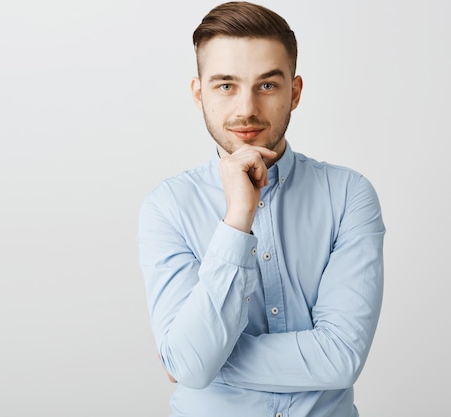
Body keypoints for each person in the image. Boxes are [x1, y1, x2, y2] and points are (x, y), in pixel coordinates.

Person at [137, 2, 385, 416]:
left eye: (267, 85)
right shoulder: (168, 207)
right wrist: (238, 220)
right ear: (199, 94)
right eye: (225, 85)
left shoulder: (348, 195)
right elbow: (189, 365)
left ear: (295, 91)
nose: (246, 109)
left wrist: (199, 360)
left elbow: (341, 357)